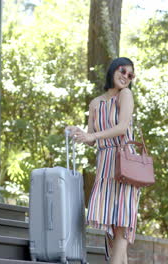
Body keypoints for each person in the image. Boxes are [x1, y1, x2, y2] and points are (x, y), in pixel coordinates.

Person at [66, 57, 140, 264]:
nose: (126, 77)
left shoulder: (125, 95)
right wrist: (78, 132)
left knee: (122, 224)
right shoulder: (95, 103)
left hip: (124, 164)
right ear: (113, 70)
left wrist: (92, 137)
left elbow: (123, 127)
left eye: (130, 75)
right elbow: (90, 138)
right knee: (111, 228)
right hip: (105, 166)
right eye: (123, 71)